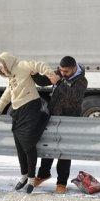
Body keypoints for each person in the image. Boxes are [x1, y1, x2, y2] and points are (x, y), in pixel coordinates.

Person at [0, 52, 60, 193]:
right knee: (19, 144)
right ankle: (23, 175)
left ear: (7, 62)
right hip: (18, 111)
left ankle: (31, 178)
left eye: (2, 66)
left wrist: (51, 75)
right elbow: (8, 92)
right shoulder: (11, 76)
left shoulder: (22, 65)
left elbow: (39, 65)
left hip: (30, 106)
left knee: (28, 144)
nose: (1, 69)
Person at [32, 56, 88, 193]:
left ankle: (61, 183)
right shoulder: (60, 72)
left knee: (64, 151)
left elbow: (73, 96)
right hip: (53, 115)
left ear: (74, 68)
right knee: (47, 146)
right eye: (61, 70)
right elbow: (45, 81)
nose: (62, 73)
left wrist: (58, 83)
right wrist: (34, 75)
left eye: (66, 71)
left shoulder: (82, 80)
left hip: (69, 119)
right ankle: (43, 174)